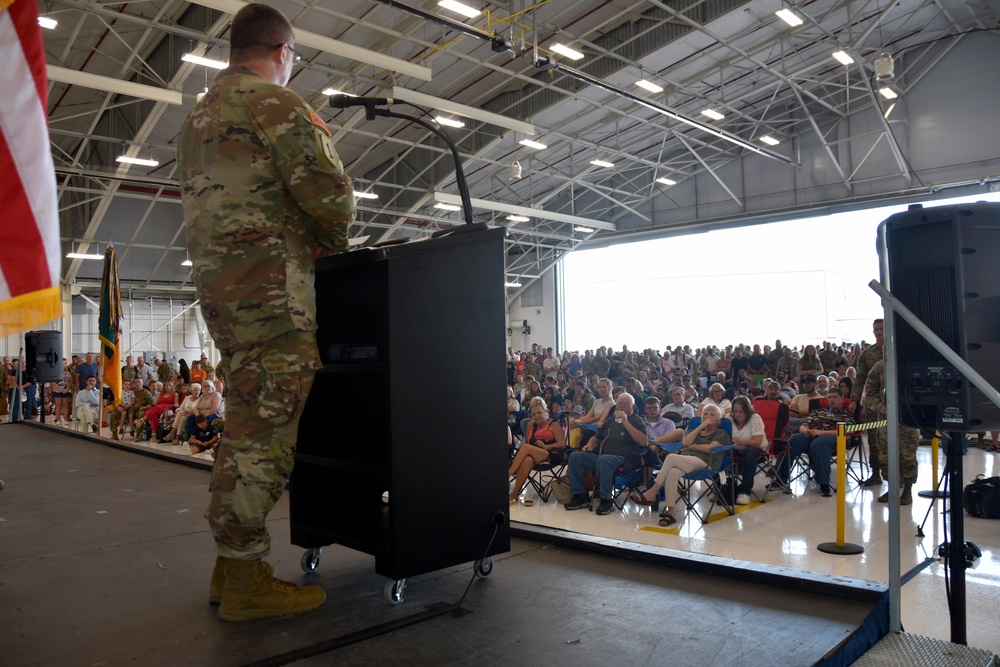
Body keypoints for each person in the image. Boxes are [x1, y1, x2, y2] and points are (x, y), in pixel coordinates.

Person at [178, 2, 355, 622]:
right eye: (296, 57)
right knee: (266, 435)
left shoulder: (198, 115)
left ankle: (230, 565)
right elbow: (334, 205)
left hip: (225, 296)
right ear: (283, 52)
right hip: (274, 296)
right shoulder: (276, 104)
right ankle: (248, 575)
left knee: (246, 424)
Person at [640, 403, 730, 526]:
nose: (708, 417)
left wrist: (696, 446)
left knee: (671, 457)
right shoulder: (696, 431)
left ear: (718, 418)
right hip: (687, 460)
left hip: (706, 462)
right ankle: (670, 513)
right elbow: (686, 442)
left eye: (712, 414)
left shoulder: (720, 433)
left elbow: (711, 448)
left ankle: (652, 491)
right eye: (705, 414)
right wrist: (701, 426)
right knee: (672, 472)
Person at [563, 393, 647, 515]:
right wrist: (590, 444)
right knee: (575, 457)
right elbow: (596, 437)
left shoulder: (636, 420)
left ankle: (606, 500)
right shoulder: (611, 420)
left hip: (625, 459)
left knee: (604, 460)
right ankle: (580, 495)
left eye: (626, 404)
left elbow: (643, 442)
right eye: (620, 403)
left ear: (632, 407)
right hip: (603, 456)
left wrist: (625, 422)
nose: (622, 406)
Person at [779, 388, 855, 496]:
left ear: (842, 399)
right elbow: (803, 426)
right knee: (791, 440)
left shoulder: (847, 414)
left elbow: (847, 432)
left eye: (835, 397)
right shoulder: (818, 411)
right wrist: (806, 430)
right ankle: (780, 479)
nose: (832, 400)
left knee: (819, 443)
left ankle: (824, 483)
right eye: (829, 397)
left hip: (833, 437)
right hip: (811, 435)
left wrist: (820, 432)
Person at [862, 359, 918, 505]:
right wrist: (880, 407)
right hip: (885, 419)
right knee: (885, 456)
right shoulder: (880, 366)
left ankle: (907, 490)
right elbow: (869, 393)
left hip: (908, 417)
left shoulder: (911, 364)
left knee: (907, 455)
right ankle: (892, 487)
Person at [508, 400, 565, 505]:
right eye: (534, 414)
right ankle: (514, 494)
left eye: (539, 413)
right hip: (534, 454)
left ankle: (508, 473)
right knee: (527, 460)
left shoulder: (554, 425)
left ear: (546, 412)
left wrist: (546, 446)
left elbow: (561, 444)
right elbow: (529, 442)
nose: (536, 416)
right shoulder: (530, 425)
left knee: (525, 447)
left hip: (551, 454)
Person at [852, 319, 885, 487]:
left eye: (881, 329)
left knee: (897, 440)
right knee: (873, 439)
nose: (878, 332)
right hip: (872, 404)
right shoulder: (867, 354)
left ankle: (897, 475)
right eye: (876, 330)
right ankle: (875, 473)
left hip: (892, 403)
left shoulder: (897, 350)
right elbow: (860, 378)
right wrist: (854, 399)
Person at [729, 395, 767, 505]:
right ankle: (721, 486)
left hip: (757, 451)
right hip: (735, 450)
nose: (737, 414)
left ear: (747, 411)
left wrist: (741, 441)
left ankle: (744, 491)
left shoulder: (755, 418)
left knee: (749, 451)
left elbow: (757, 442)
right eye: (735, 411)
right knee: (720, 451)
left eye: (741, 411)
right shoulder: (729, 418)